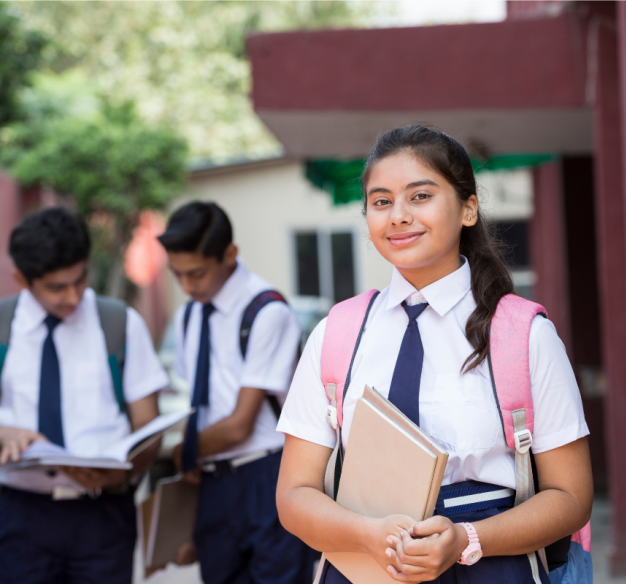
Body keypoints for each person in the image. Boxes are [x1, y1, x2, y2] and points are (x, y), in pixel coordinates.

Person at [275, 126, 594, 584]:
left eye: (420, 196)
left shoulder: (524, 335)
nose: (398, 216)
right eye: (381, 202)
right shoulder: (336, 334)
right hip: (364, 564)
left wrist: (466, 539)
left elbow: (570, 496)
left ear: (468, 208)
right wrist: (367, 534)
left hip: (492, 564)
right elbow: (294, 495)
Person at [0, 207, 169, 584]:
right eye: (57, 287)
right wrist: (3, 434)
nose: (73, 296)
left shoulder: (119, 323)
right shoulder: (1, 327)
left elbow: (148, 425)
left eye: (80, 280)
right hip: (18, 516)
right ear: (22, 279)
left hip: (103, 516)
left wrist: (121, 470)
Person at [158, 201, 314, 584]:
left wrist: (183, 452)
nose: (187, 286)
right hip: (213, 479)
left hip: (266, 474)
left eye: (196, 273)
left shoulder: (266, 310)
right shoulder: (189, 315)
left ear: (230, 254)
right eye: (176, 275)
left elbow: (238, 426)